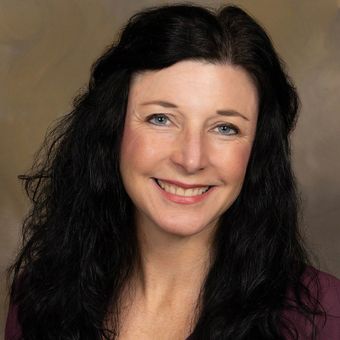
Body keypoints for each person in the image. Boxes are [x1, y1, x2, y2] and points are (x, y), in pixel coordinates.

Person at [5, 4, 340, 340]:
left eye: (225, 128)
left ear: (257, 151)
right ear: (112, 129)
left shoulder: (326, 316)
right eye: (161, 119)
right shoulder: (38, 297)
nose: (191, 159)